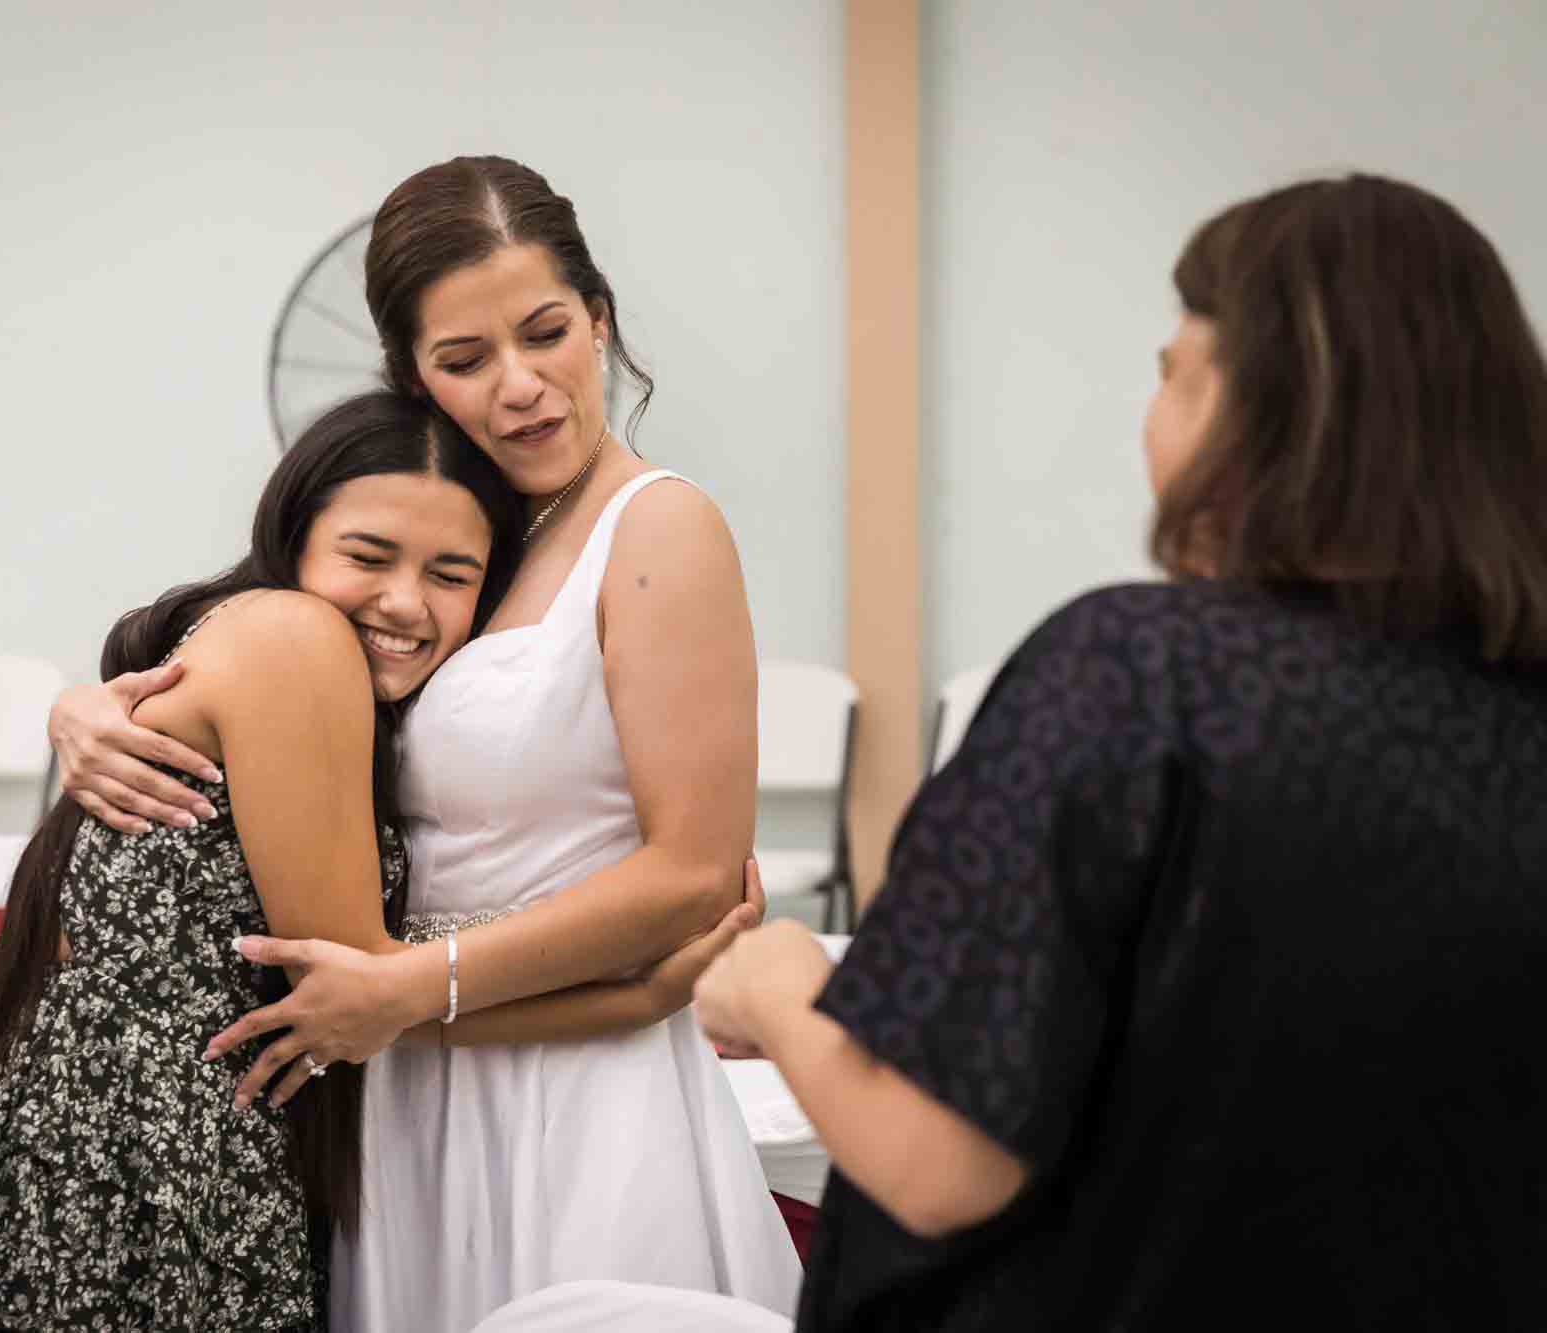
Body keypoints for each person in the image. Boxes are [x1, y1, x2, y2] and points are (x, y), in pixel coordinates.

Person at [492, 173, 1547, 1332]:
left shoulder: (1136, 679)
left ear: (1253, 409)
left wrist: (783, 988)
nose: (1149, 417)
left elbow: (940, 1160)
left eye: (1168, 372)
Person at [51, 155, 802, 1328]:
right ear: (412, 376)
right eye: (464, 361)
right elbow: (277, 678)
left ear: (598, 321)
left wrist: (415, 986)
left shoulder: (658, 528)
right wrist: (94, 705)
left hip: (565, 1096)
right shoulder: (456, 538)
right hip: (396, 1082)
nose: (520, 387)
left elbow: (693, 869)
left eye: (546, 332)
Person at [0, 392, 751, 1330]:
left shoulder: (270, 643)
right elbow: (363, 997)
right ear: (297, 532)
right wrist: (637, 1001)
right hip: (145, 1176)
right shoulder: (297, 638)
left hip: (116, 1149)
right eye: (368, 557)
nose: (405, 602)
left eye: (451, 575)